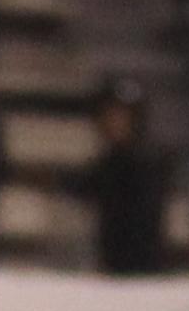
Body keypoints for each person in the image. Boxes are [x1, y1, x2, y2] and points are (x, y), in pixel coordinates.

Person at [72, 73, 172, 273]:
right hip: (110, 268)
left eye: (122, 116)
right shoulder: (104, 165)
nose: (115, 123)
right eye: (110, 115)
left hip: (142, 271)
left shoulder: (148, 164)